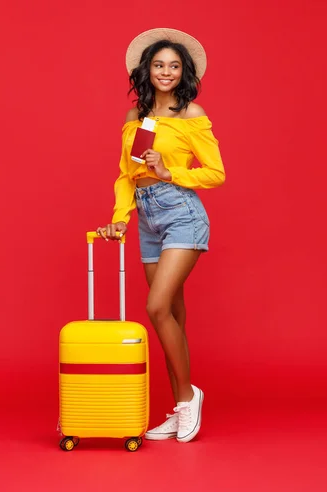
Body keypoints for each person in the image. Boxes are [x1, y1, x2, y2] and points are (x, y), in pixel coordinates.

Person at [96, 28, 225, 443]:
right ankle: (178, 407)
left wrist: (172, 172)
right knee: (172, 316)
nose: (166, 72)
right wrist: (121, 218)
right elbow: (125, 174)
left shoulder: (191, 115)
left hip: (181, 212)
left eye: (174, 66)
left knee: (155, 307)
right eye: (158, 65)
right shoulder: (134, 118)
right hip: (148, 217)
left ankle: (189, 398)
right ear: (146, 71)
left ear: (183, 71)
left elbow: (216, 172)